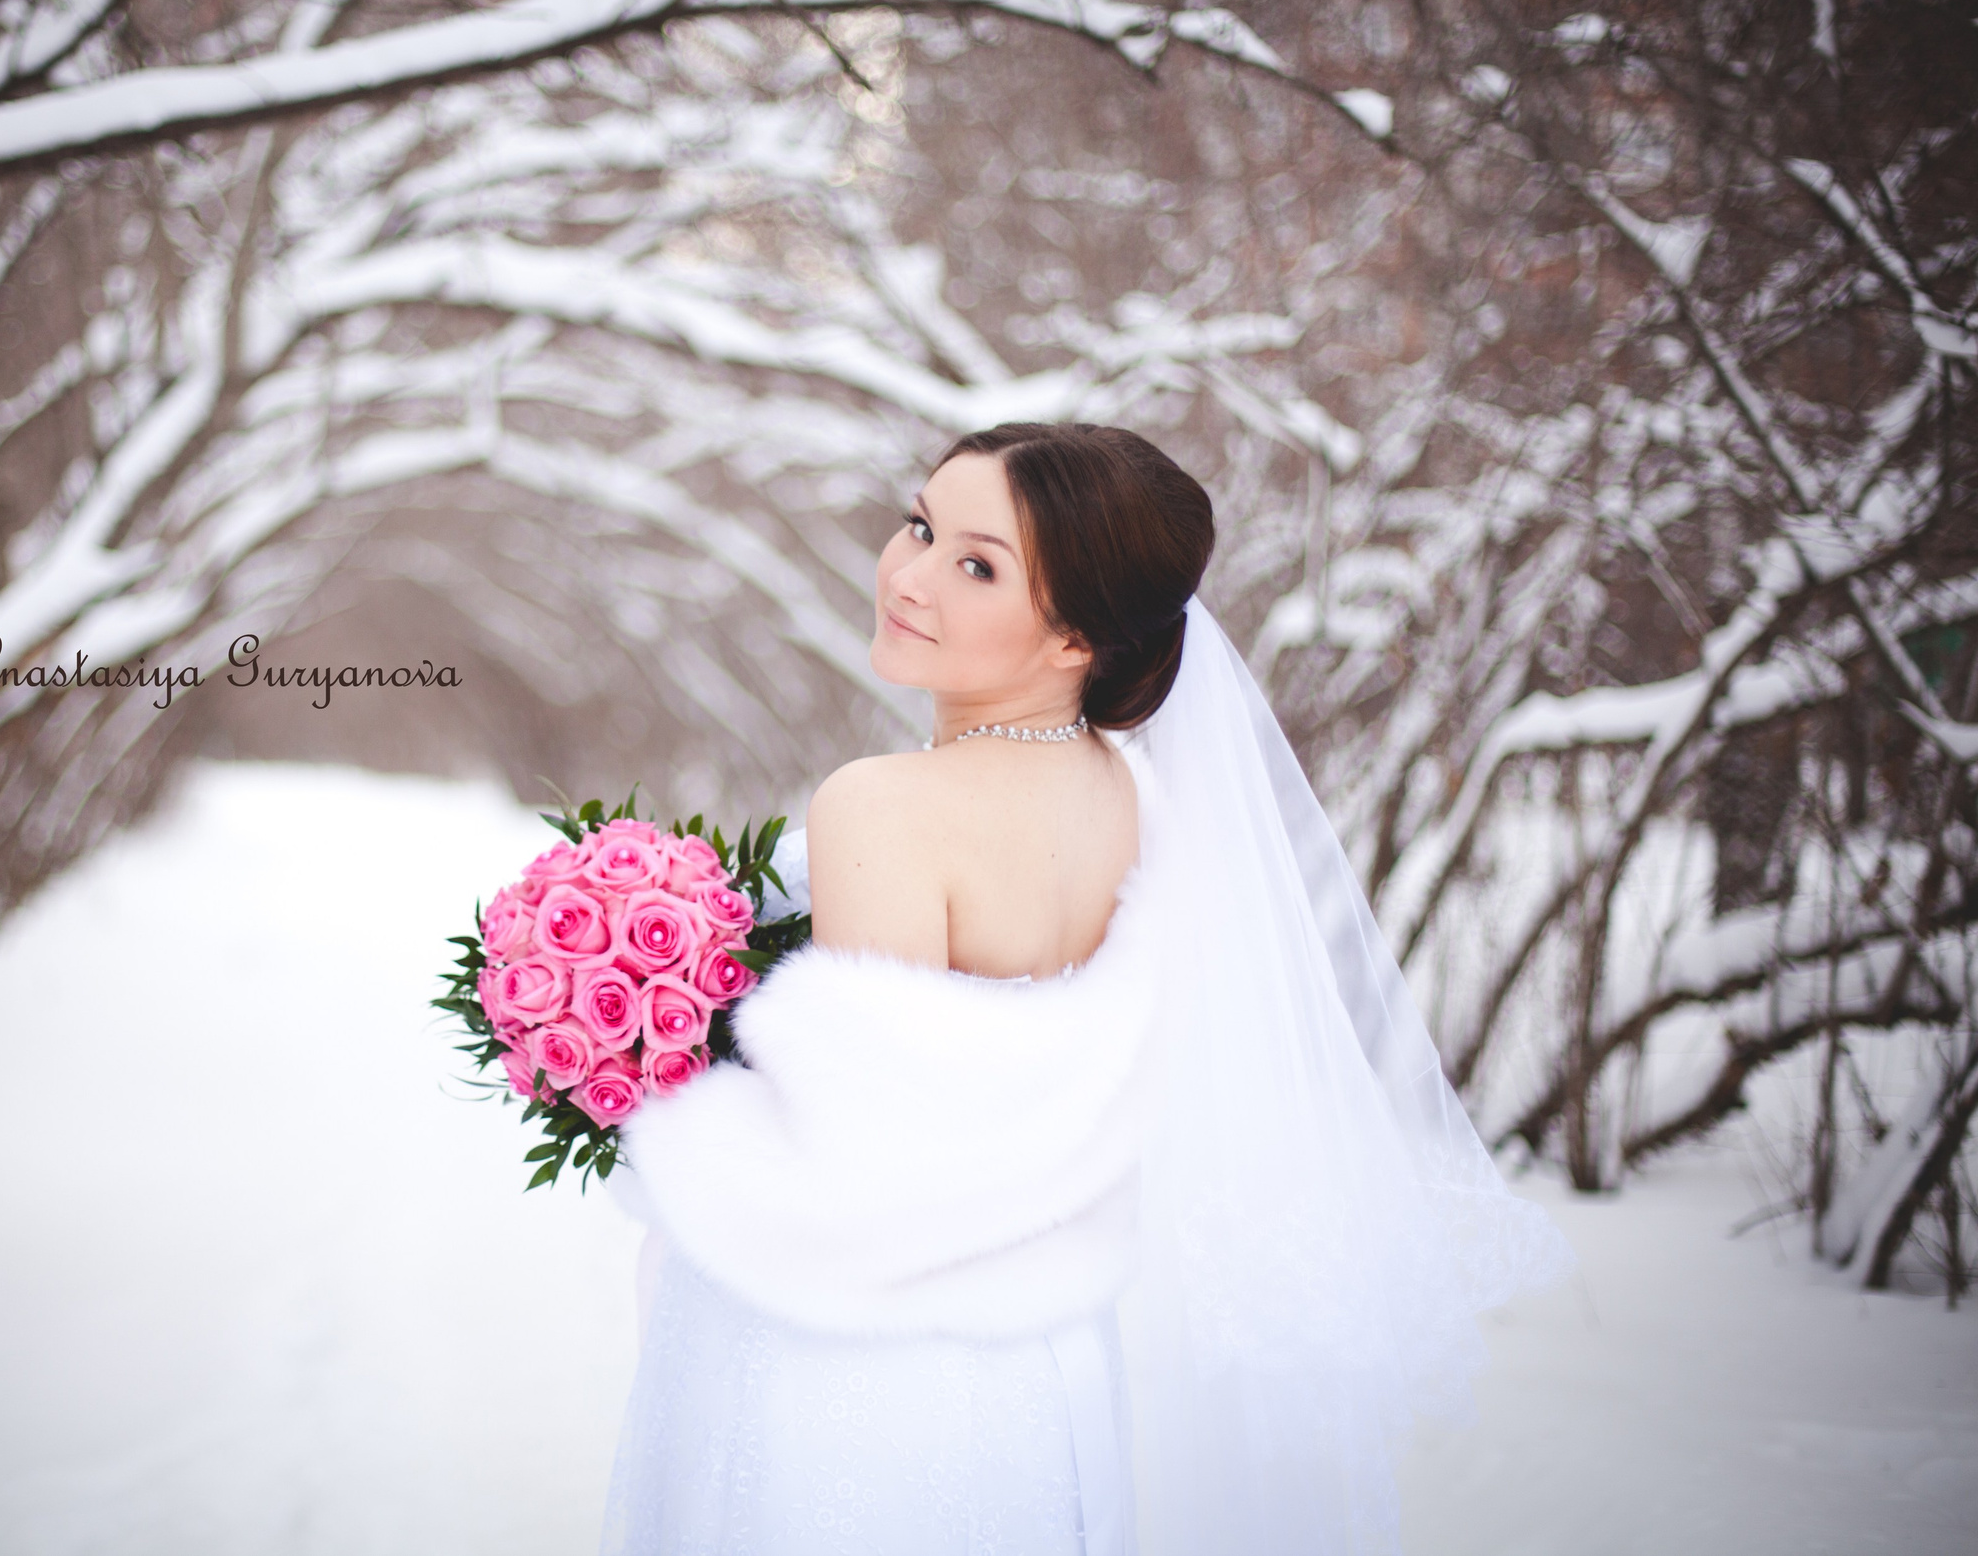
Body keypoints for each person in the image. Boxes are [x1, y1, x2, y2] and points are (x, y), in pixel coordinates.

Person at [598, 421, 1574, 1555]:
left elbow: (864, 1167)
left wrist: (651, 1097)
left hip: (859, 1383)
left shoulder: (883, 805)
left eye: (975, 564)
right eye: (919, 523)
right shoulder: (1134, 801)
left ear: (1073, 634)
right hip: (1044, 1370)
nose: (908, 574)